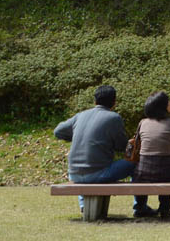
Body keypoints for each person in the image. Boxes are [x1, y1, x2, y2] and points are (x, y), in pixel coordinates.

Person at [53, 84, 135, 213]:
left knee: (88, 170)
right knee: (135, 163)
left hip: (73, 174)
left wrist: (77, 137)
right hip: (98, 174)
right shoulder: (114, 118)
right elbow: (122, 147)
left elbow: (57, 131)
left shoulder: (81, 115)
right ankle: (139, 207)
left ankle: (84, 205)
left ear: (95, 100)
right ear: (114, 102)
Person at [131, 90, 170, 219]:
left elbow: (139, 144)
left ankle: (140, 207)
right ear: (163, 106)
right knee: (169, 172)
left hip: (143, 170)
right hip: (166, 170)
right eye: (168, 101)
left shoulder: (143, 123)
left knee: (139, 174)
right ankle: (164, 208)